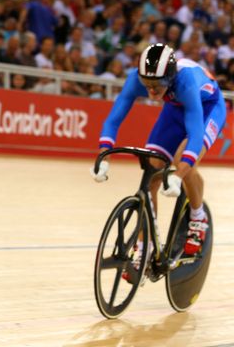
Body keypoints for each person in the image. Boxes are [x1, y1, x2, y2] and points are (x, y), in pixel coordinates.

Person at [92, 43, 226, 282]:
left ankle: (197, 218)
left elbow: (195, 135)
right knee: (152, 170)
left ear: (170, 77)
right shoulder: (137, 79)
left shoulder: (184, 83)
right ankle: (145, 249)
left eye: (157, 86)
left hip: (207, 107)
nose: (152, 92)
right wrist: (104, 154)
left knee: (181, 160)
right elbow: (112, 120)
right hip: (174, 108)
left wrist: (178, 173)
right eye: (147, 86)